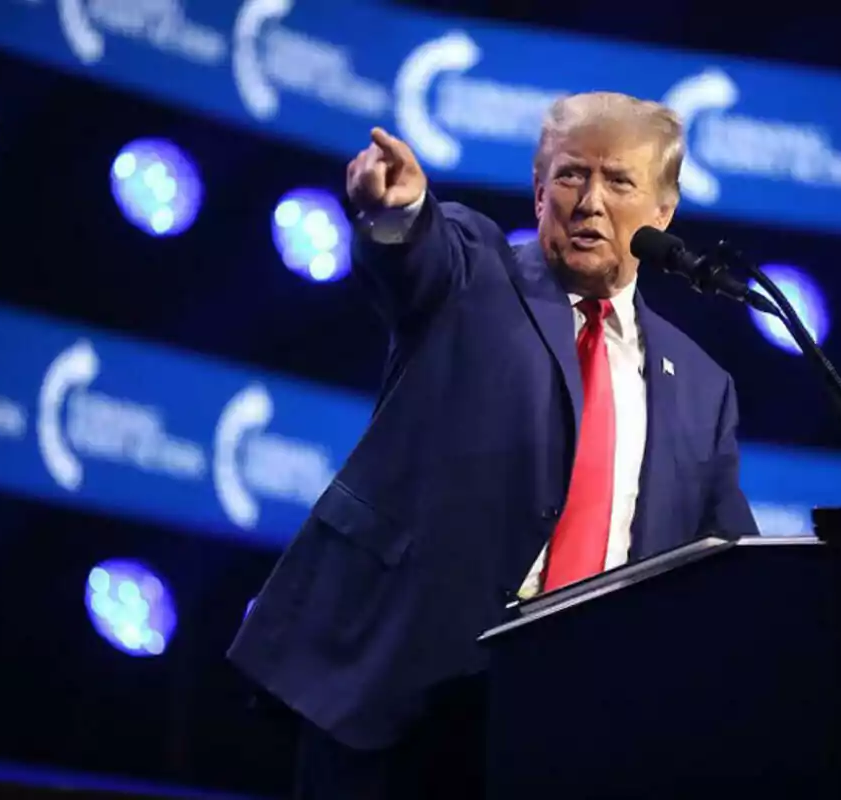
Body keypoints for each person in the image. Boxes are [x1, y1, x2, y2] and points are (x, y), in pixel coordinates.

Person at [228, 91, 760, 799]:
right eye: (571, 175)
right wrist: (398, 212)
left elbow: (730, 566)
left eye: (620, 181)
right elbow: (417, 255)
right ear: (539, 193)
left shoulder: (702, 385)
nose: (590, 201)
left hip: (575, 733)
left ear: (664, 211)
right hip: (406, 700)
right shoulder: (477, 272)